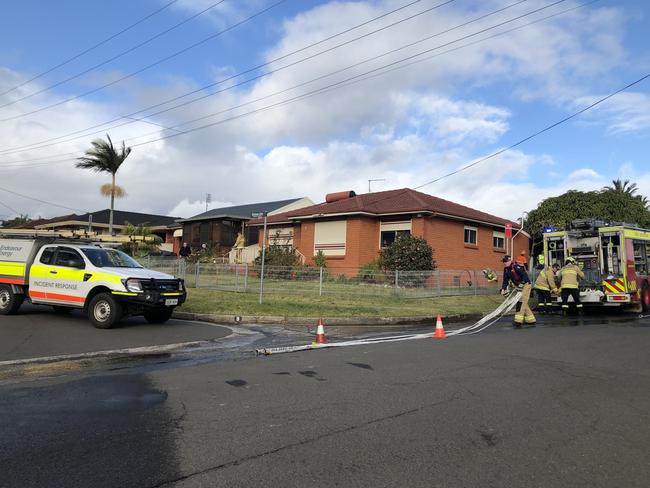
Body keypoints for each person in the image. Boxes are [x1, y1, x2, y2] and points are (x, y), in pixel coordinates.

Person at [501, 254, 536, 328]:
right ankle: (531, 320)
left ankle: (518, 321)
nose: (504, 263)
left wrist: (522, 284)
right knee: (523, 302)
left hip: (526, 284)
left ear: (510, 260)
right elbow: (505, 280)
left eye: (506, 261)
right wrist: (503, 289)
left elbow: (524, 276)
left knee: (521, 302)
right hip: (519, 286)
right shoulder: (506, 269)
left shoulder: (517, 266)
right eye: (503, 261)